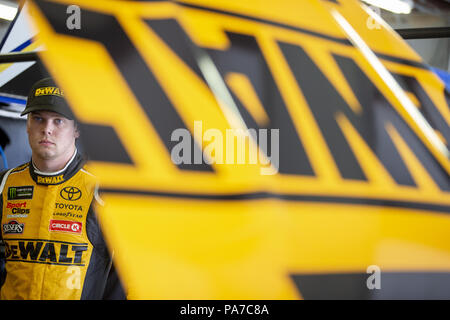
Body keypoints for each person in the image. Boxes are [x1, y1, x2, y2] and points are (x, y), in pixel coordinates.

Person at [0, 77, 125, 299]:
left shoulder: (103, 189)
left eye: (58, 121)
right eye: (38, 118)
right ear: (27, 125)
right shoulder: (5, 184)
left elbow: (129, 274)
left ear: (76, 129)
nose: (46, 129)